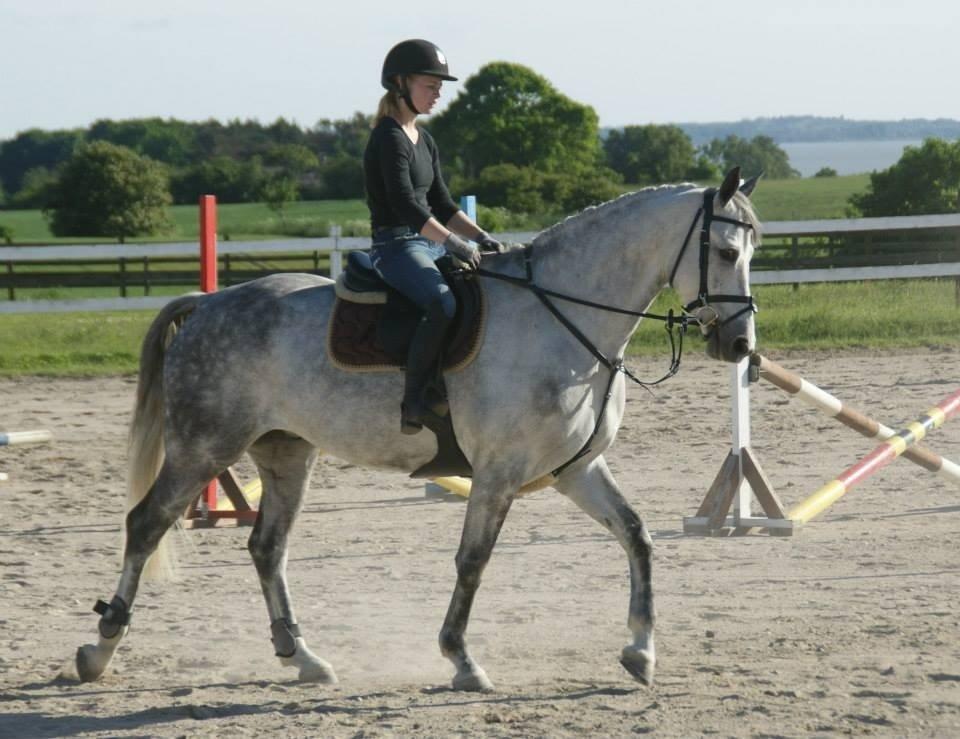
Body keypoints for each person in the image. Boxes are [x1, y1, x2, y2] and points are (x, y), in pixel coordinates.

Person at [364, 38, 503, 435]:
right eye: (430, 85)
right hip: (395, 246)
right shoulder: (387, 137)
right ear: (401, 83)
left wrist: (481, 236)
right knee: (441, 303)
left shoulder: (425, 140)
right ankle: (415, 401)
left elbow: (441, 202)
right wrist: (453, 244)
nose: (438, 93)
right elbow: (407, 205)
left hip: (427, 241)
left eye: (440, 86)